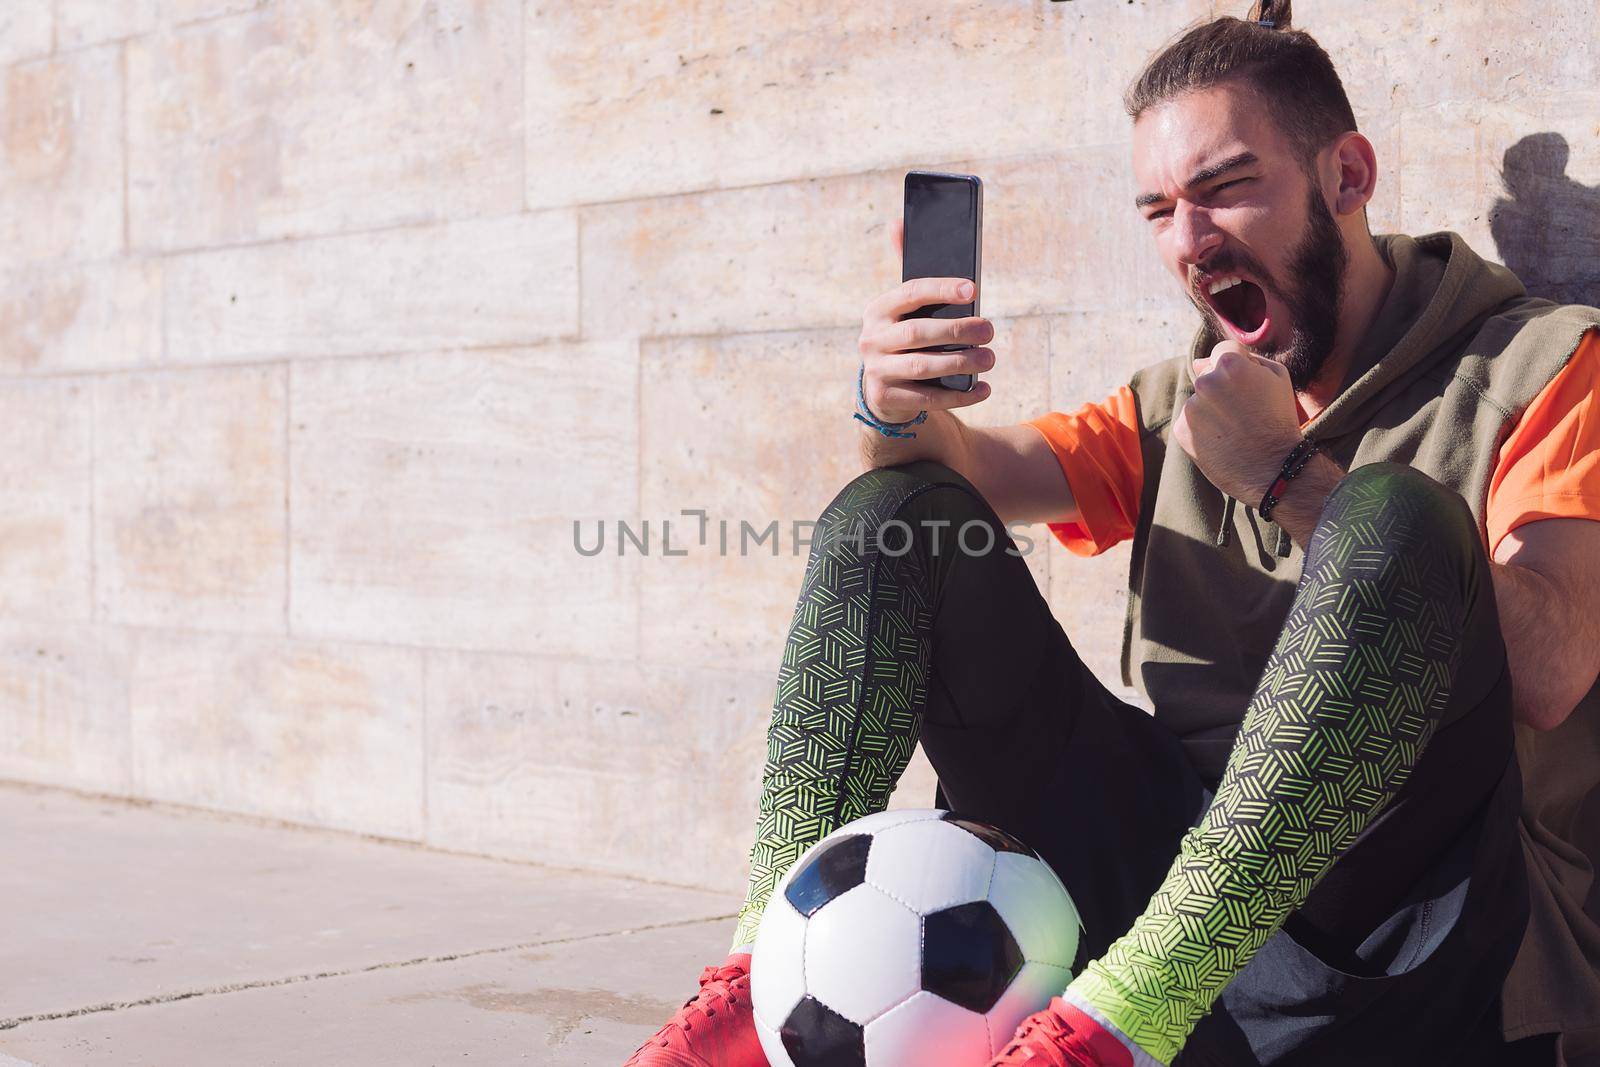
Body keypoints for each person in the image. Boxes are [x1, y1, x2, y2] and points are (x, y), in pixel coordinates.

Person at [623, 2, 1600, 1064]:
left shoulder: (1546, 367)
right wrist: (895, 408)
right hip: (1170, 868)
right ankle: (751, 977)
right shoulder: (1182, 397)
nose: (1190, 240)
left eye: (1227, 187)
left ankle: (1116, 1026)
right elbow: (975, 474)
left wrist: (1283, 475)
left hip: (1406, 921)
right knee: (891, 512)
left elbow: (1550, 668)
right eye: (1158, 209)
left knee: (1393, 516)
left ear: (1346, 178)